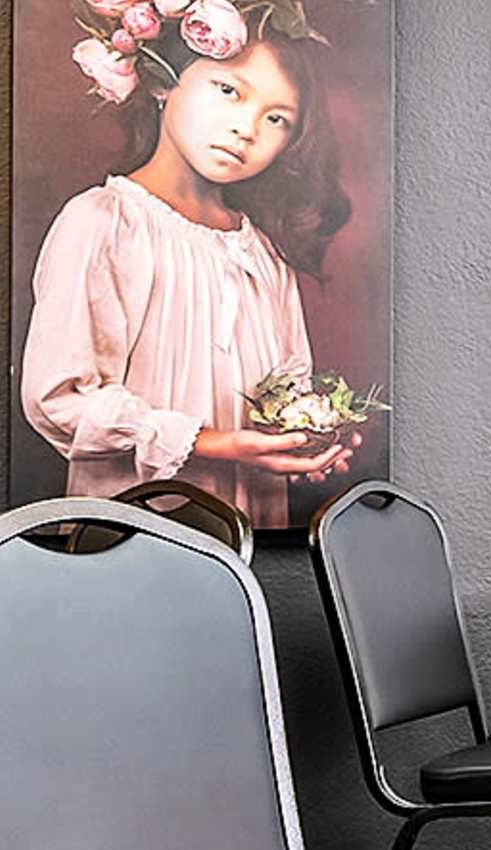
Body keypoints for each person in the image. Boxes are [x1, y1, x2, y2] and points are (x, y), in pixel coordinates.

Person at [21, 27, 357, 531]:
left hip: (245, 536)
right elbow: (59, 398)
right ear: (162, 82)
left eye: (277, 118)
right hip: (133, 537)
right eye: (229, 90)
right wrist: (213, 442)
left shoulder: (263, 253)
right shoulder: (106, 221)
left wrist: (307, 440)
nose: (247, 128)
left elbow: (287, 386)